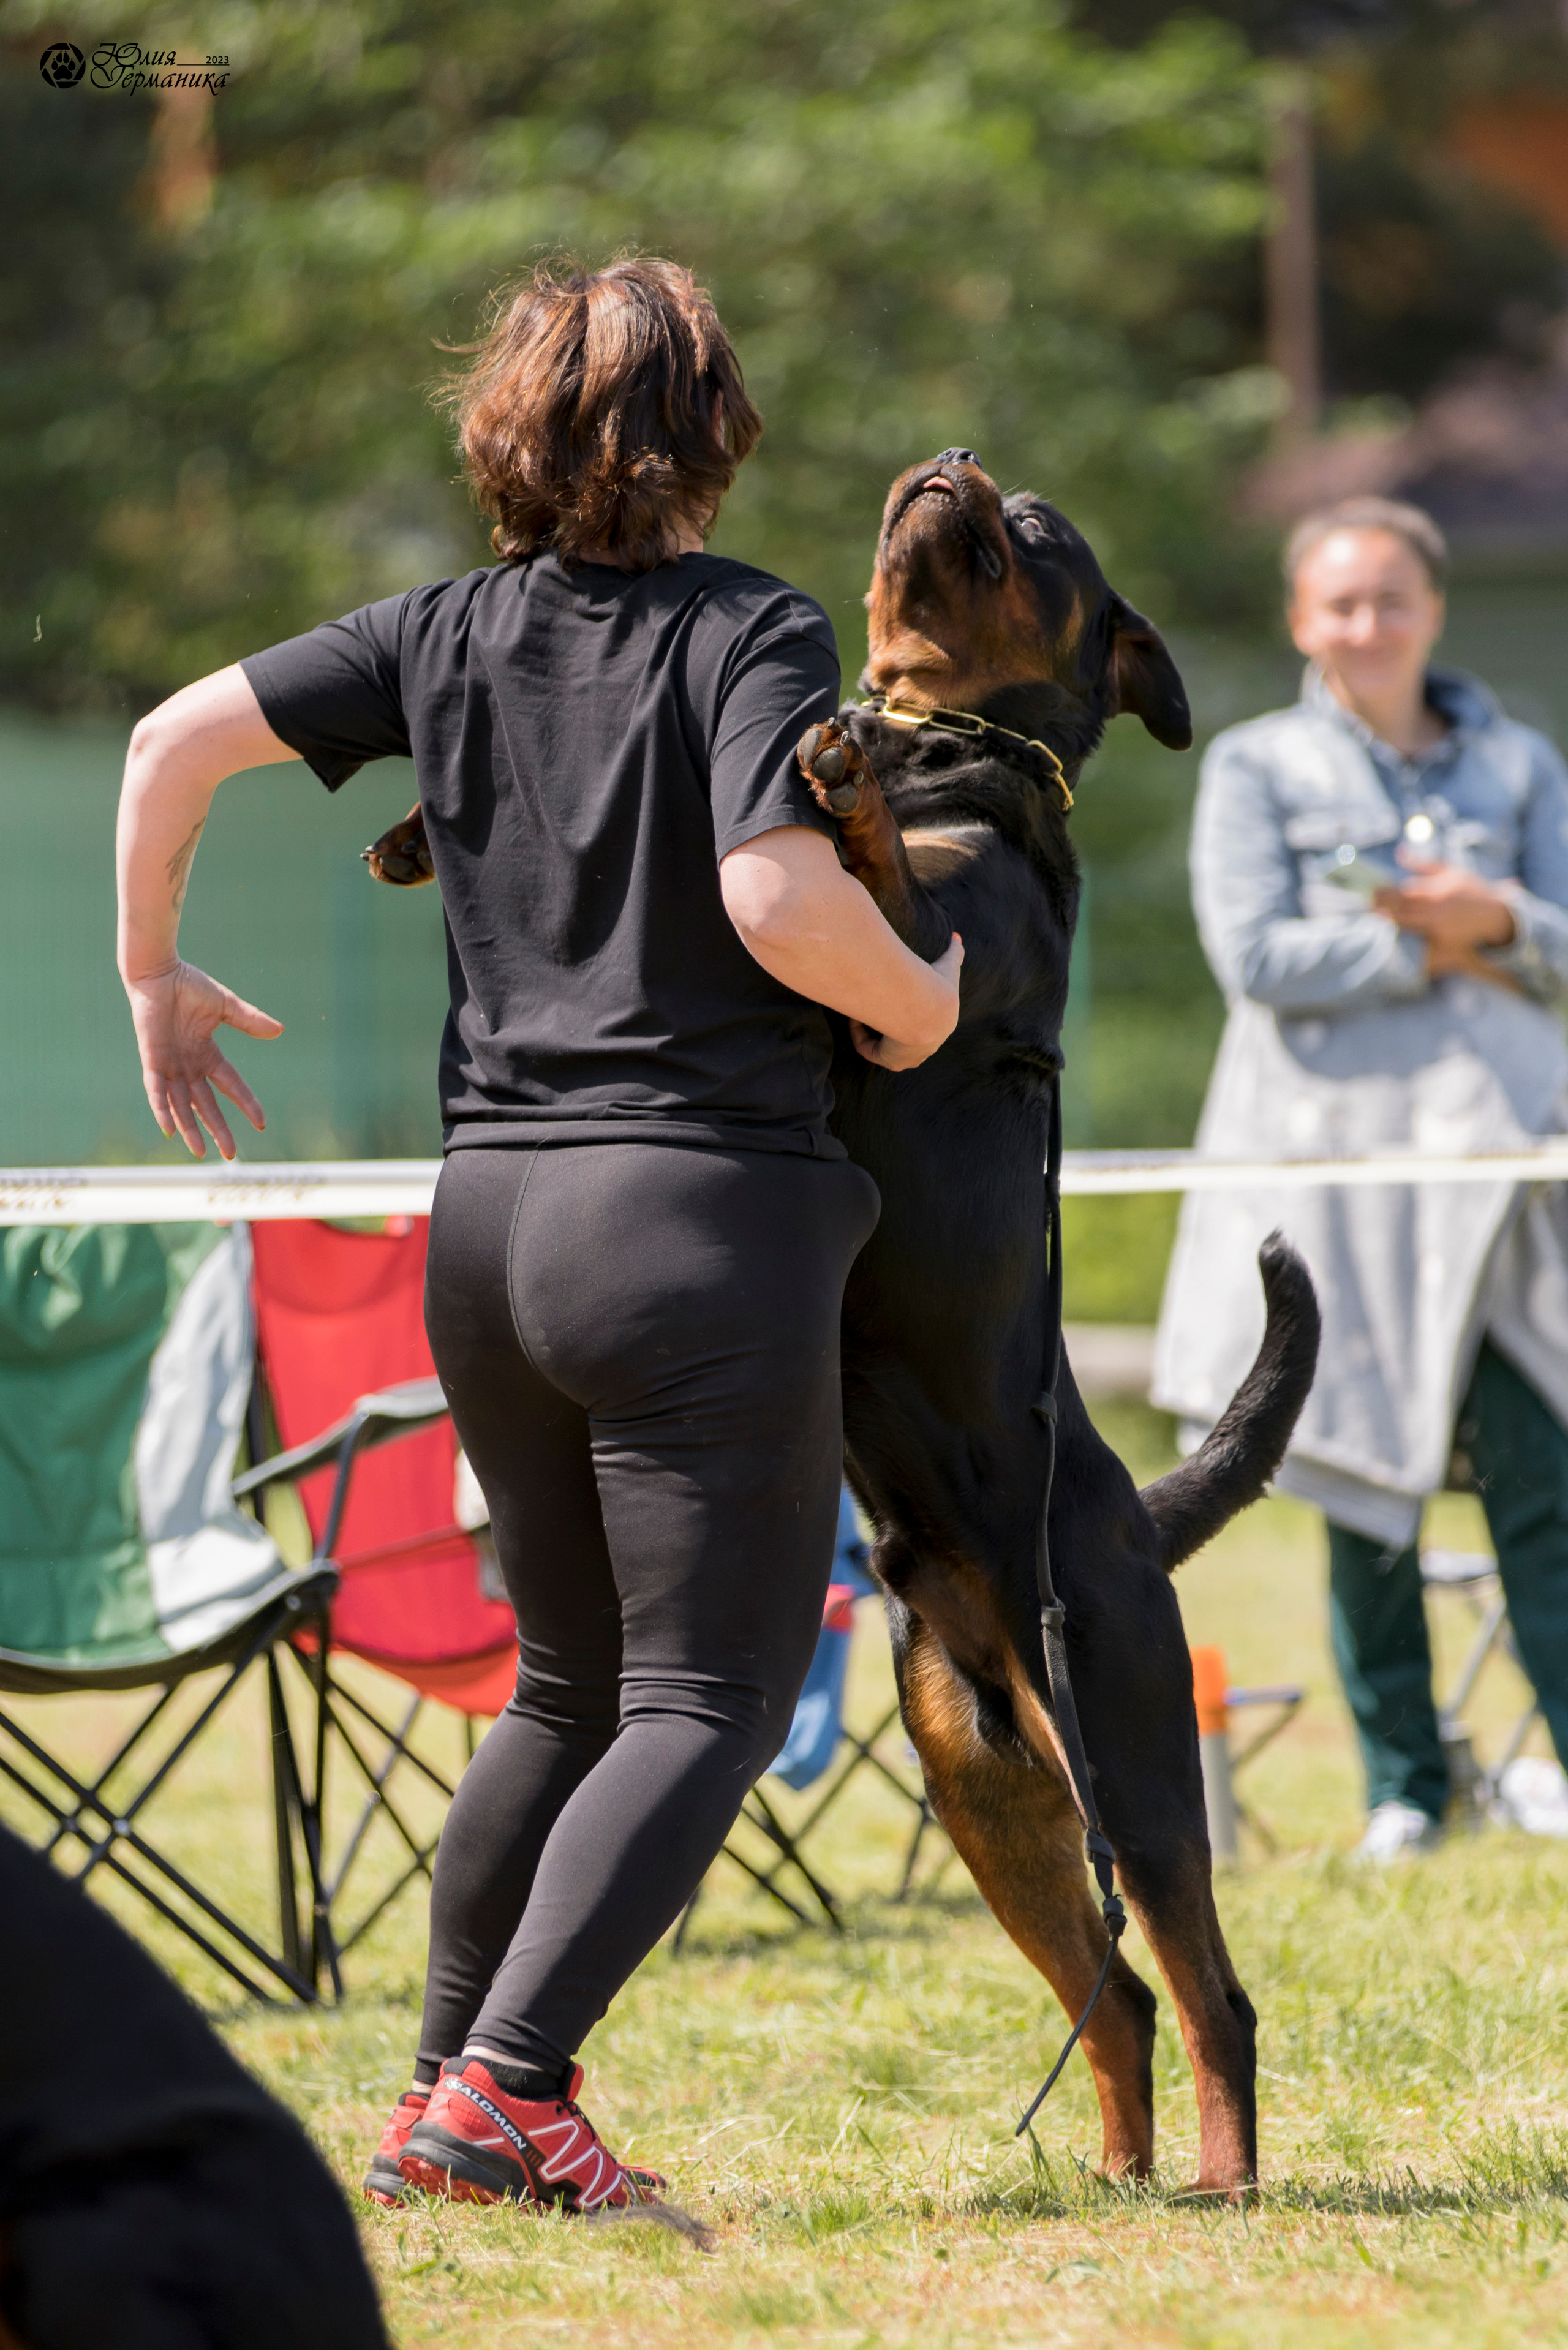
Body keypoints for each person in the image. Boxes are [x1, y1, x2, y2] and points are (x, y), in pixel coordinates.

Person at [115, 258, 962, 2209]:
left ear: (506, 431)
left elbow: (168, 740)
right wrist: (916, 994)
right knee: (709, 1696)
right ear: (713, 425)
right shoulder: (750, 624)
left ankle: (442, 2099)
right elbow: (772, 894)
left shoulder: (439, 629)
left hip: (490, 1223)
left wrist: (152, 969)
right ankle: (507, 2087)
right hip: (690, 1218)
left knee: (571, 1681)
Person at [1152, 495, 1568, 1862]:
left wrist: (1499, 917)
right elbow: (1257, 960)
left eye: (1390, 598)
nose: (1366, 625)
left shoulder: (1514, 764)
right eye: (1338, 603)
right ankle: (1405, 1784)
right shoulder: (1259, 769)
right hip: (1335, 1179)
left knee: (1538, 1474)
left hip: (1497, 1183)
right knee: (1354, 1479)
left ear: (1430, 609)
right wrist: (1423, 946)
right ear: (1299, 620)